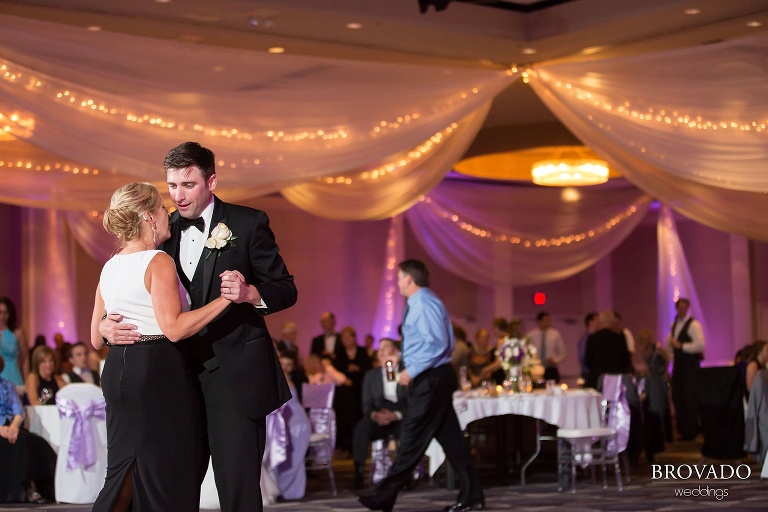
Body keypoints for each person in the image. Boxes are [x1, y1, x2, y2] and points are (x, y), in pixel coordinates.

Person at [100, 143, 298, 512]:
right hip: (173, 381)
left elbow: (286, 289)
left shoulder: (247, 222)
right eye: (172, 186)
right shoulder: (160, 230)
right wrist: (104, 326)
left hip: (233, 378)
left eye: (188, 184)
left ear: (211, 180)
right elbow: (128, 289)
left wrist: (250, 292)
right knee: (174, 486)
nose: (178, 195)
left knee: (237, 489)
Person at [91, 182, 236, 511]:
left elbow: (95, 337)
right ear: (148, 217)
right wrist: (224, 301)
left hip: (117, 371)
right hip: (157, 371)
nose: (167, 214)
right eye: (161, 209)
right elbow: (173, 328)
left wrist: (105, 327)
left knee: (124, 470)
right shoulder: (157, 261)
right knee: (168, 472)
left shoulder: (110, 265)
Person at [358, 259, 484, 512]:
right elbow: (433, 343)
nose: (397, 282)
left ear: (409, 279)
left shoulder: (423, 303)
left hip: (430, 378)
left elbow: (437, 344)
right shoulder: (425, 302)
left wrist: (411, 370)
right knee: (453, 441)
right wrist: (404, 359)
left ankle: (385, 494)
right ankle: (473, 496)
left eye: (399, 277)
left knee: (412, 435)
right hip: (434, 376)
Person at [352, 338, 408, 490]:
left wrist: (395, 415)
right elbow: (367, 404)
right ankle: (358, 472)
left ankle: (404, 475)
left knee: (408, 430)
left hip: (399, 417)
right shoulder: (371, 375)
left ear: (396, 352)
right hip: (378, 417)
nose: (381, 350)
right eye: (379, 348)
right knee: (361, 428)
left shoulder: (406, 372)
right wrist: (375, 415)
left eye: (386, 347)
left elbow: (411, 402)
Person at [0, 355, 56, 504]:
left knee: (38, 442)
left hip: (11, 426)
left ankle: (44, 488)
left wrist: (13, 426)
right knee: (21, 443)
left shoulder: (7, 385)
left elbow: (18, 410)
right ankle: (24, 490)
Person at [271, 351, 311, 500]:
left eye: (289, 365)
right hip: (281, 424)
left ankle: (293, 491)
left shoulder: (294, 379)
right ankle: (281, 489)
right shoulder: (272, 377)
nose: (285, 367)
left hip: (298, 423)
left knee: (295, 458)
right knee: (282, 456)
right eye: (283, 363)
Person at [665, 297, 705, 441]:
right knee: (677, 395)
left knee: (690, 397)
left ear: (687, 308)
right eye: (679, 307)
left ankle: (691, 430)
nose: (681, 310)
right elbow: (670, 346)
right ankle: (683, 428)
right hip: (679, 366)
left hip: (691, 366)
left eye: (684, 307)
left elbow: (700, 345)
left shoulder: (694, 324)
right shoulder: (673, 324)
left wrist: (682, 346)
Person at [583, 310, 632, 390]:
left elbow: (588, 361)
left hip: (597, 379)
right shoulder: (619, 338)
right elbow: (626, 360)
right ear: (612, 321)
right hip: (615, 379)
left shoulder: (593, 338)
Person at [526, 311, 566, 383]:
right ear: (539, 321)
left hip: (550, 369)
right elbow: (526, 351)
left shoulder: (555, 334)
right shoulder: (531, 335)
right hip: (536, 370)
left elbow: (563, 353)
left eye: (549, 320)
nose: (548, 322)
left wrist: (555, 360)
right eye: (546, 320)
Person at [0, 297, 28, 391]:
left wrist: (27, 382)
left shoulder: (18, 332)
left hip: (13, 375)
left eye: (6, 313)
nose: (3, 316)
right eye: (0, 312)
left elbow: (25, 359)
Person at [576, 311, 600, 380]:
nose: (599, 323)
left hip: (594, 372)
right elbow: (583, 358)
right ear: (590, 322)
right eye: (597, 321)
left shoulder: (596, 338)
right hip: (589, 373)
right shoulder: (585, 339)